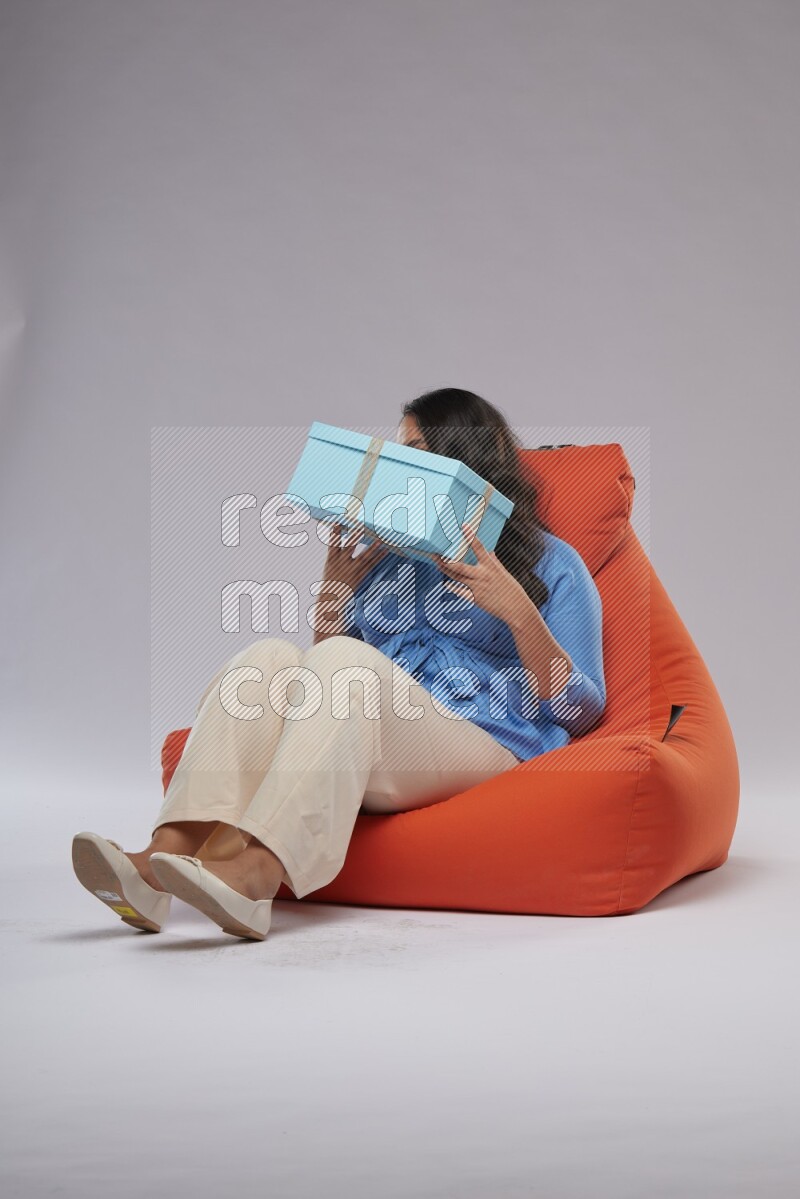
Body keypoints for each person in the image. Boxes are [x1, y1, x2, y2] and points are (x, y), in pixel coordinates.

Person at [72, 388, 606, 941]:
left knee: (350, 664)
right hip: (387, 739)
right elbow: (325, 665)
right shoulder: (391, 559)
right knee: (268, 658)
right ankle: (161, 860)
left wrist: (521, 615)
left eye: (421, 451)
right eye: (402, 454)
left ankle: (258, 874)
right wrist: (337, 586)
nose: (407, 469)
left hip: (487, 739)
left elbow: (581, 714)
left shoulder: (554, 564)